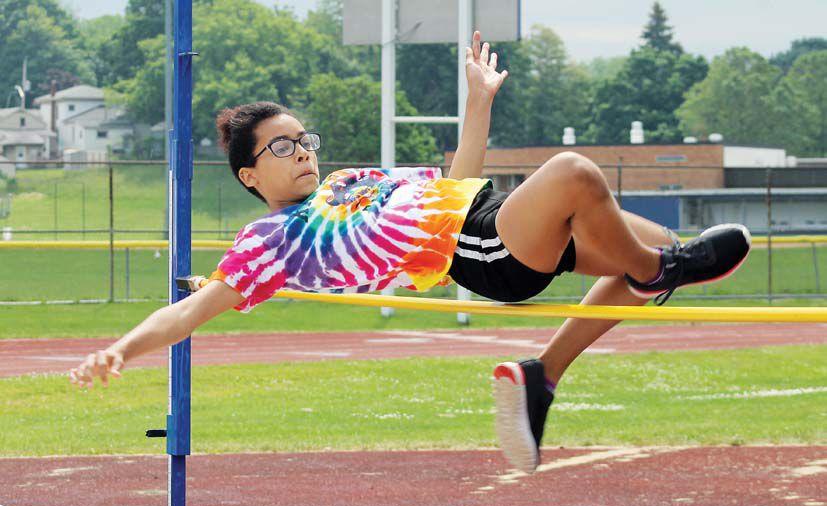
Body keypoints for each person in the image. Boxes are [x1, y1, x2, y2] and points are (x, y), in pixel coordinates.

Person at [69, 32, 751, 473]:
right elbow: (189, 314)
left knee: (653, 243)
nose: (300, 150)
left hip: (482, 215)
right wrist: (120, 350)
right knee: (576, 173)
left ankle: (542, 373)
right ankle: (661, 271)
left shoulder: (348, 181)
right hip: (480, 252)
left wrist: (476, 104)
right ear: (249, 175)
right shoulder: (267, 242)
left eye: (302, 138)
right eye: (281, 147)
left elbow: (458, 189)